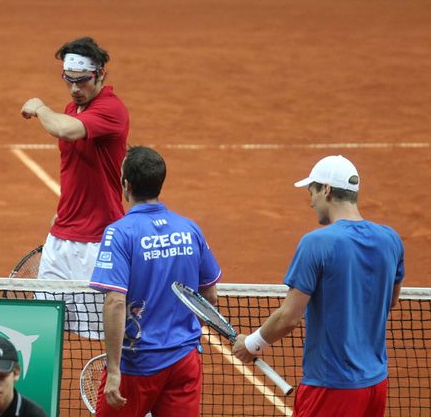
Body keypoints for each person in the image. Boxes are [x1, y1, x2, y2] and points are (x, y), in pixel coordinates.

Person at [232, 155, 405, 417]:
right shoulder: (391, 239)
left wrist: (252, 344)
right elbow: (389, 301)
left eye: (311, 191)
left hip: (331, 388)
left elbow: (289, 318)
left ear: (326, 189)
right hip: (375, 385)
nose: (311, 201)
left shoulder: (317, 243)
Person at [89, 146, 222, 416]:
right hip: (184, 360)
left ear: (125, 185)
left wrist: (113, 371)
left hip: (137, 364)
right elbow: (210, 296)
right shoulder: (189, 228)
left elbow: (115, 301)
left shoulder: (120, 233)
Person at [21, 37, 129, 338]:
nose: (74, 89)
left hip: (97, 242)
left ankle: (116, 382)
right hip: (60, 238)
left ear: (100, 75)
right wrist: (63, 211)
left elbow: (64, 129)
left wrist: (40, 107)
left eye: (82, 82)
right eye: (69, 81)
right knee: (42, 327)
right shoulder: (73, 107)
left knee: (102, 333)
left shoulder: (111, 109)